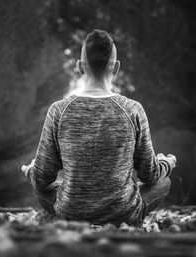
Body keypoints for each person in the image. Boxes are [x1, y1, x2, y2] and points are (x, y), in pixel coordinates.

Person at [22, 29, 176, 226]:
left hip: (71, 213)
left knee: (40, 187)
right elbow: (151, 175)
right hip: (123, 213)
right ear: (116, 67)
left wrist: (31, 170)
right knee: (164, 182)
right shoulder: (133, 109)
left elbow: (42, 179)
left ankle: (63, 215)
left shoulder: (58, 111)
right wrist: (167, 163)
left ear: (80, 67)